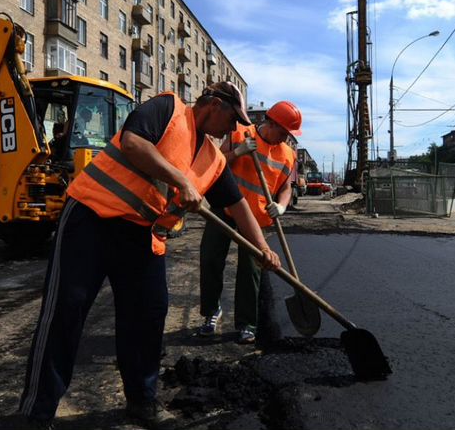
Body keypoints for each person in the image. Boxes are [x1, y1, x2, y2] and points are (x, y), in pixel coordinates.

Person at [19, 82, 280, 430]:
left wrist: (263, 248)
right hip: (92, 220)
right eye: (232, 120)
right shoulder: (167, 108)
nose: (233, 130)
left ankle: (142, 401)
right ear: (214, 104)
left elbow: (239, 206)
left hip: (143, 237)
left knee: (148, 316)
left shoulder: (214, 161)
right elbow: (133, 143)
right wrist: (180, 181)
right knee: (65, 312)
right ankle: (36, 414)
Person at [198, 101, 302, 344]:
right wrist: (238, 152)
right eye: (284, 132)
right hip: (224, 208)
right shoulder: (239, 133)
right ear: (271, 123)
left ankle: (247, 323)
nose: (286, 138)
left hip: (256, 219)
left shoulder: (288, 154)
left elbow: (286, 187)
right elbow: (214, 163)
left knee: (250, 270)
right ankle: (211, 312)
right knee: (210, 258)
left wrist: (283, 205)